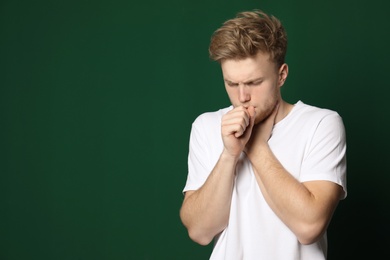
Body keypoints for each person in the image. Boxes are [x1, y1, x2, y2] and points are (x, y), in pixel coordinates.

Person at [179, 9, 347, 260]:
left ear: (281, 75)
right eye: (232, 84)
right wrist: (229, 154)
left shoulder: (321, 124)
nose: (242, 97)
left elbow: (309, 227)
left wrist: (254, 144)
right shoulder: (207, 126)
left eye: (254, 83)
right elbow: (200, 231)